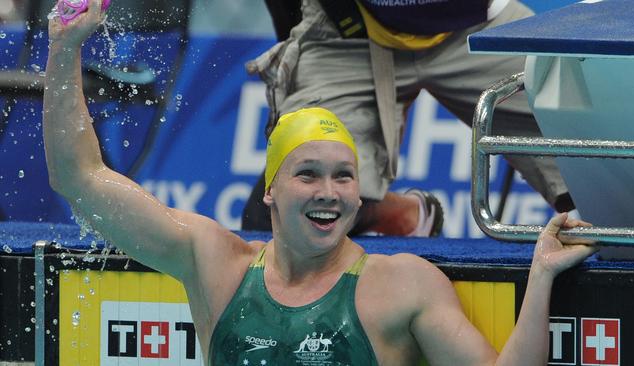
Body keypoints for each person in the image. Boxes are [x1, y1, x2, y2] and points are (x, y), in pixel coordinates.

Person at [43, 2, 596, 364]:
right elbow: (80, 178)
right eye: (307, 175)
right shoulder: (217, 265)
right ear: (270, 191)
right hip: (348, 27)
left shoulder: (402, 286)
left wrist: (542, 274)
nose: (329, 193)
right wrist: (64, 47)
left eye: (345, 177)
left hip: (465, 20)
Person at [243, 0, 575, 237]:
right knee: (279, 218)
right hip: (349, 35)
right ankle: (405, 215)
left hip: (477, 26)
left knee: (601, 166)